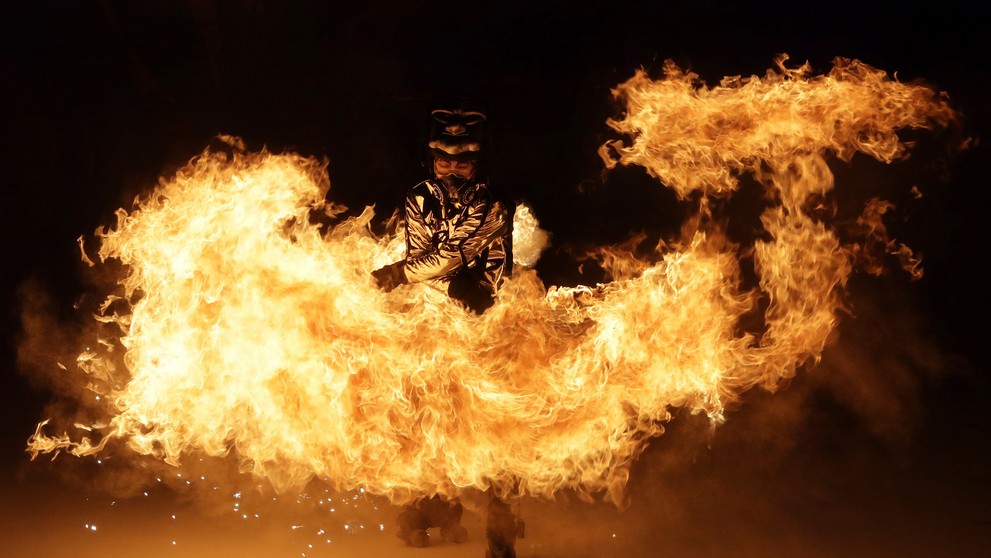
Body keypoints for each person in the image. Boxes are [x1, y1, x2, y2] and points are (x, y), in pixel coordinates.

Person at [373, 100, 523, 557]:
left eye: (463, 160)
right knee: (432, 416)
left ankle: (500, 537)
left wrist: (401, 272)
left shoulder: (493, 202)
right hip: (437, 318)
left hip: (490, 317)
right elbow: (424, 253)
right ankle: (430, 514)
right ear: (431, 158)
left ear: (478, 162)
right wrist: (425, 284)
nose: (453, 168)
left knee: (500, 427)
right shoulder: (418, 196)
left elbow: (456, 252)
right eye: (444, 159)